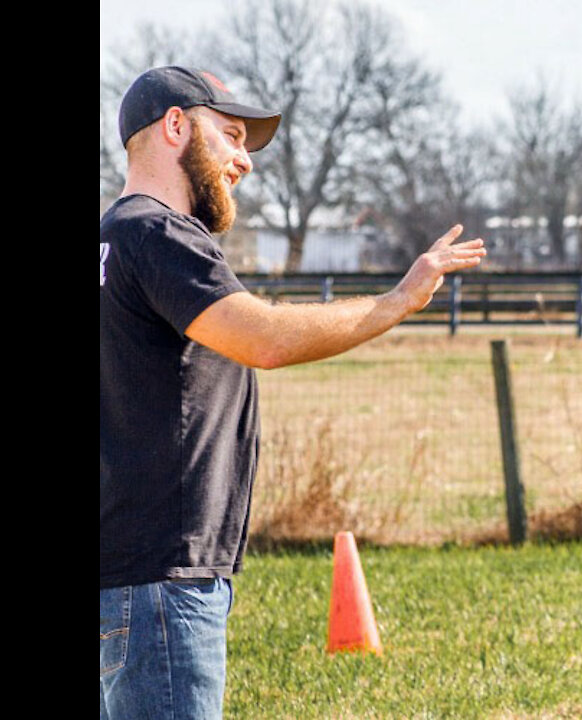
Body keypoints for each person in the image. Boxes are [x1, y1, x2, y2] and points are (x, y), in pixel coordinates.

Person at [99, 66, 486, 719]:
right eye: (230, 136)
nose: (243, 161)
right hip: (163, 579)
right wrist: (399, 301)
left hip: (124, 575)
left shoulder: (112, 239)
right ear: (174, 126)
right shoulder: (159, 234)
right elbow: (265, 339)